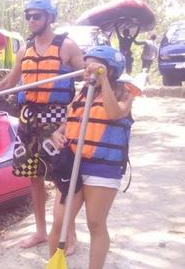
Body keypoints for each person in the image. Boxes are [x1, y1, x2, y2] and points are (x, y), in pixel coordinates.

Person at [0, 0, 84, 253]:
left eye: (37, 16)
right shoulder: (25, 50)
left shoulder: (67, 47)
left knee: (63, 178)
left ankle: (68, 235)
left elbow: (89, 76)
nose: (31, 21)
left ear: (49, 17)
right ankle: (41, 231)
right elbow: (9, 82)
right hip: (29, 118)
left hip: (57, 120)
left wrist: (94, 78)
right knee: (33, 176)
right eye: (28, 16)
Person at [48, 46, 135, 269]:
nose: (89, 70)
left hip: (103, 168)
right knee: (59, 222)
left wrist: (102, 80)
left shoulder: (125, 93)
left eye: (96, 66)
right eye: (88, 66)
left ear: (111, 70)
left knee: (95, 223)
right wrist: (57, 133)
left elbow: (115, 113)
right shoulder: (81, 94)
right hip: (73, 166)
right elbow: (68, 124)